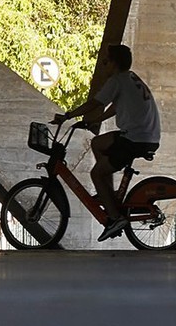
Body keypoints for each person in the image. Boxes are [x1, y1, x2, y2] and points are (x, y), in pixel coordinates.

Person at [53, 43, 160, 241]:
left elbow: (96, 102)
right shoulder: (131, 78)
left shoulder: (116, 80)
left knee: (96, 173)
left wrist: (68, 116)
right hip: (145, 135)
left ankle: (115, 218)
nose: (103, 64)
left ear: (114, 63)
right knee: (98, 143)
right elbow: (115, 107)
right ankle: (106, 195)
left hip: (134, 139)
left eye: (106, 61)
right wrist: (93, 121)